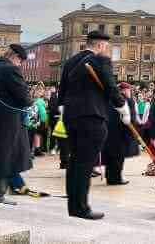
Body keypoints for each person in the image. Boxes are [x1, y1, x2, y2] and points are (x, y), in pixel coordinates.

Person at [58, 31, 129, 220]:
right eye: (106, 47)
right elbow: (110, 86)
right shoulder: (100, 60)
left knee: (75, 161)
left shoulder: (70, 62)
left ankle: (74, 204)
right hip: (92, 117)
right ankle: (81, 207)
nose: (106, 50)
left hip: (72, 117)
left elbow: (62, 92)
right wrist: (123, 107)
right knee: (85, 163)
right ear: (100, 46)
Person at [0, 44, 33, 205]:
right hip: (10, 119)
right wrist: (29, 98)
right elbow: (24, 98)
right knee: (5, 157)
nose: (20, 64)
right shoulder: (11, 70)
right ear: (15, 57)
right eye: (20, 61)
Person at [103, 82, 137, 186]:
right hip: (121, 133)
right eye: (128, 90)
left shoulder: (108, 99)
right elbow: (132, 119)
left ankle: (109, 176)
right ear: (125, 90)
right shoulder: (127, 101)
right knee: (119, 157)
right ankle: (116, 178)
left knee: (110, 156)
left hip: (108, 132)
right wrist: (132, 135)